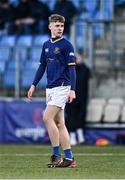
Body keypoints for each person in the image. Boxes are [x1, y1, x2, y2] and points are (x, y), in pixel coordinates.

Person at [28, 14, 77, 168]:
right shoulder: (46, 45)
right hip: (51, 88)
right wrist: (34, 84)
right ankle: (68, 158)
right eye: (57, 26)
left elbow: (72, 69)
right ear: (50, 26)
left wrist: (72, 90)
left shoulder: (67, 45)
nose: (60, 29)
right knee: (60, 123)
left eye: (62, 26)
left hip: (62, 86)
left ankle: (56, 155)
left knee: (46, 118)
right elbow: (42, 66)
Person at [65, 50, 91, 146]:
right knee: (71, 117)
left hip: (82, 97)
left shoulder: (85, 69)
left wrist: (80, 63)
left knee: (81, 116)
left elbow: (85, 74)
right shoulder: (70, 68)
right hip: (70, 97)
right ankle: (72, 137)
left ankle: (80, 135)